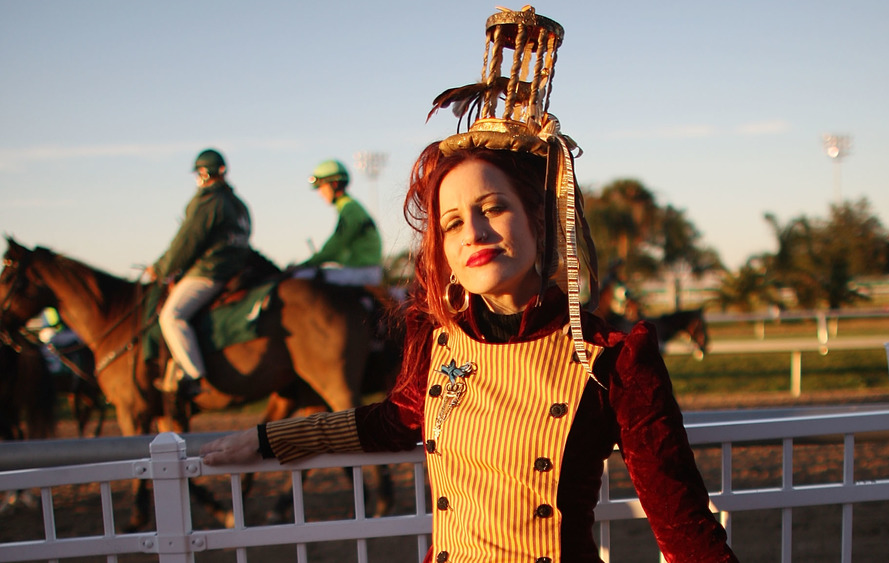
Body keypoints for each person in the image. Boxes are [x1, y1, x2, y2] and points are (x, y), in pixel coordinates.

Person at [202, 7, 738, 562]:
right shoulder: (437, 338)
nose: (473, 234)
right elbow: (395, 419)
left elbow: (686, 531)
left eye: (493, 209)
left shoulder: (613, 360)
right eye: (452, 222)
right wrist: (270, 440)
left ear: (539, 221)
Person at [146, 148, 251, 394]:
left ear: (203, 173)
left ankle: (192, 375)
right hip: (235, 270)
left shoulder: (208, 201)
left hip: (209, 272)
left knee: (171, 316)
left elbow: (187, 242)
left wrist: (162, 269)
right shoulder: (238, 204)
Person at [294, 159, 383, 287]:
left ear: (334, 184)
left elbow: (335, 246)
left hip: (361, 272)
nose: (320, 194)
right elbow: (340, 251)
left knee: (300, 276)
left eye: (321, 187)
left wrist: (307, 264)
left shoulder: (349, 209)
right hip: (363, 269)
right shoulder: (350, 207)